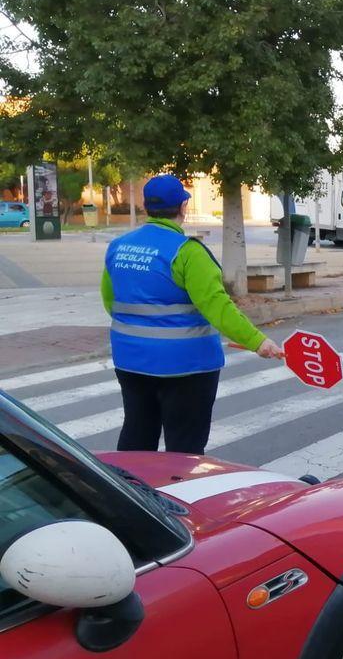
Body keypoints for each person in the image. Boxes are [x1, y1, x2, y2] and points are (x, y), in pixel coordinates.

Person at [102, 174, 284, 454]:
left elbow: (110, 300)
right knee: (184, 447)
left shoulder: (119, 247)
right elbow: (218, 307)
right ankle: (177, 496)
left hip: (130, 361)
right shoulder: (188, 253)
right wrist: (258, 342)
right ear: (183, 207)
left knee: (137, 435)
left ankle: (127, 493)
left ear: (146, 207)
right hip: (186, 366)